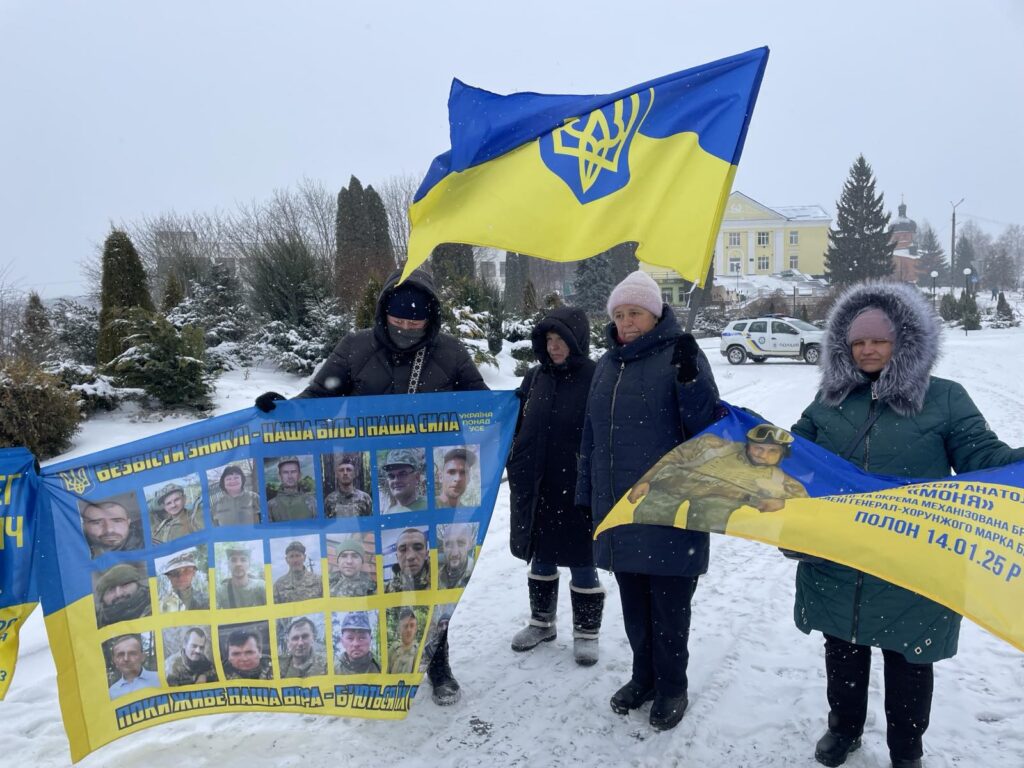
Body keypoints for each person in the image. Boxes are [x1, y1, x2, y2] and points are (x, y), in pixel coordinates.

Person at [789, 282, 1024, 768]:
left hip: (914, 559)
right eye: (858, 342)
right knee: (844, 650)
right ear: (844, 347)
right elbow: (795, 459)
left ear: (905, 342)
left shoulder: (944, 399)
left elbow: (986, 459)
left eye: (879, 340)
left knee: (910, 661)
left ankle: (906, 749)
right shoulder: (829, 400)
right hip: (841, 555)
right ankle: (845, 729)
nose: (869, 349)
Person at [255, 267, 487, 705]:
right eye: (398, 317)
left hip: (426, 494)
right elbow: (318, 399)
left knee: (428, 583)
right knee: (372, 582)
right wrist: (282, 410)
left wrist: (507, 404)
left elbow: (479, 405)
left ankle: (439, 666)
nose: (405, 326)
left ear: (431, 318)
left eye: (416, 320)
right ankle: (375, 660)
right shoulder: (355, 348)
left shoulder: (450, 353)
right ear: (383, 312)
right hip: (372, 497)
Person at [576, 270, 719, 731]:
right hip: (618, 509)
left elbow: (704, 430)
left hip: (669, 507)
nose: (625, 321)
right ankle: (644, 678)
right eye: (618, 314)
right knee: (636, 608)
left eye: (634, 312)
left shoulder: (681, 354)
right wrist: (586, 495)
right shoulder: (607, 365)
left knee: (670, 610)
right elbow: (591, 437)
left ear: (654, 313)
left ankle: (672, 687)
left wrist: (692, 380)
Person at [507, 306, 604, 665]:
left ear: (576, 340)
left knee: (583, 560)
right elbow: (513, 424)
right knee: (542, 555)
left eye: (561, 339)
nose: (554, 347)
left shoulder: (596, 376)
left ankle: (587, 632)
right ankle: (542, 622)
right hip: (540, 484)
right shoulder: (535, 378)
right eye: (548, 340)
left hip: (579, 488)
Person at [627, 425, 808, 533]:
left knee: (710, 514)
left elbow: (809, 507)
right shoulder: (714, 447)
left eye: (772, 451)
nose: (763, 455)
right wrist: (646, 479)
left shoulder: (782, 481)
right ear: (748, 445)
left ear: (783, 454)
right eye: (758, 448)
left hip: (710, 515)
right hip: (674, 488)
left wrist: (783, 504)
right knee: (650, 513)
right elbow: (673, 456)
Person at [95, 563, 152, 628]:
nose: (118, 594)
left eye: (124, 585)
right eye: (111, 590)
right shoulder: (97, 623)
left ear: (137, 584)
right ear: (102, 599)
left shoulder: (157, 604)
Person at [107, 634, 159, 699]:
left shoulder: (160, 679)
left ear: (143, 657)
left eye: (132, 653)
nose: (126, 659)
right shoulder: (112, 693)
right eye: (120, 654)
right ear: (114, 660)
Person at [216, 544, 267, 609]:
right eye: (234, 560)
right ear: (228, 564)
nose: (238, 564)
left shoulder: (261, 587)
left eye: (243, 560)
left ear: (249, 564)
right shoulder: (221, 591)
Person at [267, 457, 316, 522]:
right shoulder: (270, 506)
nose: (290, 476)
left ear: (299, 475)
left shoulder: (312, 502)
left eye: (293, 472)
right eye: (285, 472)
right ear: (279, 476)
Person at [385, 528, 430, 593]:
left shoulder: (442, 584)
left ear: (426, 554)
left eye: (418, 548)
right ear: (397, 557)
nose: (410, 556)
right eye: (403, 549)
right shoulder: (385, 590)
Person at [437, 524, 474, 589]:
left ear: (470, 544)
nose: (454, 553)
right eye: (448, 544)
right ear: (443, 547)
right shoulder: (435, 577)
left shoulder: (478, 572)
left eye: (461, 543)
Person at [387, 607, 420, 674]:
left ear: (416, 629)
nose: (409, 630)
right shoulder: (393, 650)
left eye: (412, 625)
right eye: (405, 626)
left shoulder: (419, 652)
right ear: (400, 629)